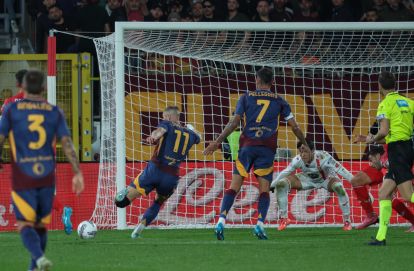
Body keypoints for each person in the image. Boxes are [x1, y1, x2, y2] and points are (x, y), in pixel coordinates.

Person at [203, 67, 308, 240]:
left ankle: (221, 221)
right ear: (272, 82)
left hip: (247, 147)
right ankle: (259, 225)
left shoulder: (245, 97)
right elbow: (295, 127)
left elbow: (234, 122)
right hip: (266, 148)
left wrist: (218, 141)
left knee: (234, 186)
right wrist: (305, 144)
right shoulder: (280, 101)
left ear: (257, 80)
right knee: (264, 190)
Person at [0, 69, 84, 270]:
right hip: (46, 170)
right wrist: (77, 172)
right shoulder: (54, 111)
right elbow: (67, 143)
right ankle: (35, 265)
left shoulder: (10, 107)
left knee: (24, 224)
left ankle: (37, 257)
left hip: (23, 172)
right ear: (44, 88)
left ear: (22, 85)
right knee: (40, 226)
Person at [114, 106, 200, 238]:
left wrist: (152, 137)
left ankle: (122, 195)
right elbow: (199, 137)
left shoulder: (167, 124)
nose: (163, 119)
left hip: (154, 170)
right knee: (158, 203)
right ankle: (139, 230)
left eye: (164, 117)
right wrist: (192, 129)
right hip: (171, 177)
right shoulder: (191, 135)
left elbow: (159, 131)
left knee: (120, 202)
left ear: (170, 117)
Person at [363, 71, 414, 245]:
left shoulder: (385, 104)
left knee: (408, 195)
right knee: (384, 193)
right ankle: (380, 237)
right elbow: (394, 134)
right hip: (406, 148)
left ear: (379, 85)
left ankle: (381, 237)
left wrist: (371, 139)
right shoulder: (408, 102)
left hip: (397, 151)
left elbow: (383, 132)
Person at [271, 140, 353, 231]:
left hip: (326, 178)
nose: (303, 155)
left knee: (339, 188)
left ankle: (347, 221)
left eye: (305, 151)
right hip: (308, 179)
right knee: (281, 184)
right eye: (301, 152)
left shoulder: (323, 156)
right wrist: (272, 184)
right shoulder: (297, 160)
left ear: (313, 151)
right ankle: (284, 218)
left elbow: (341, 169)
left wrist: (355, 182)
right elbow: (286, 172)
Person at [350, 144, 414, 231]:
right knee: (356, 181)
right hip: (395, 170)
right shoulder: (384, 161)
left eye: (371, 160)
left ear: (377, 156)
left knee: (407, 196)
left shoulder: (390, 155)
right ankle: (371, 216)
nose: (371, 163)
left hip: (407, 169)